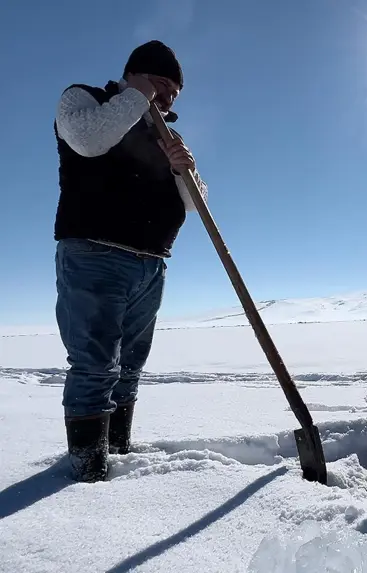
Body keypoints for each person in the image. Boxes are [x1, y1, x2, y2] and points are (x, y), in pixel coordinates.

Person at [53, 40, 208, 482]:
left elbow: (196, 205)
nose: (169, 98)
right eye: (162, 85)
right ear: (134, 76)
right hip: (95, 253)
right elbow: (87, 141)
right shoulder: (84, 100)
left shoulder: (167, 134)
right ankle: (87, 473)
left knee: (131, 364)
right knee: (95, 363)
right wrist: (135, 98)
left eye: (176, 92)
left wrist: (185, 168)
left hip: (152, 263)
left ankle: (116, 453)